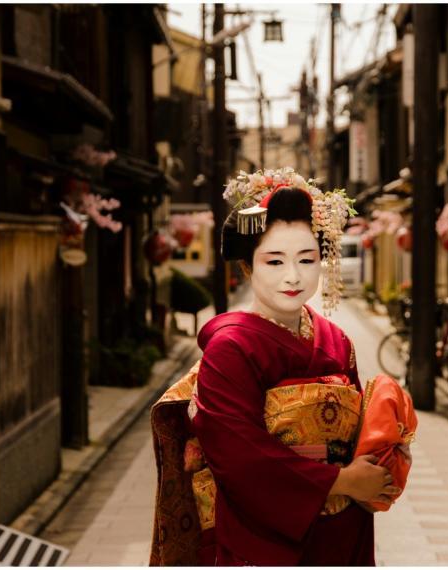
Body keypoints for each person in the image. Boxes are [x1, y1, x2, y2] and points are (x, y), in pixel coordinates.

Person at [150, 169, 414, 567]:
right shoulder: (230, 348)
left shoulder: (337, 341)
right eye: (274, 261)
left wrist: (383, 455)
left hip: (343, 527)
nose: (293, 276)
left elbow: (360, 433)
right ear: (247, 267)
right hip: (262, 532)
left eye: (307, 259)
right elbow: (239, 456)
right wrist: (341, 480)